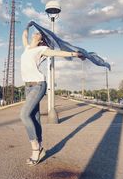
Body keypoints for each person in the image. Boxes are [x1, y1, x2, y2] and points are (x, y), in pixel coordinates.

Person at [20, 22, 84, 166]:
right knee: (34, 117)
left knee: (24, 115)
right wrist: (28, 25)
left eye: (39, 34)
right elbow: (24, 34)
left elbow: (58, 53)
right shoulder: (26, 48)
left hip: (38, 84)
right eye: (36, 33)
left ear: (41, 40)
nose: (36, 33)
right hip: (28, 87)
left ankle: (36, 148)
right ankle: (40, 145)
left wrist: (75, 54)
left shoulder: (42, 49)